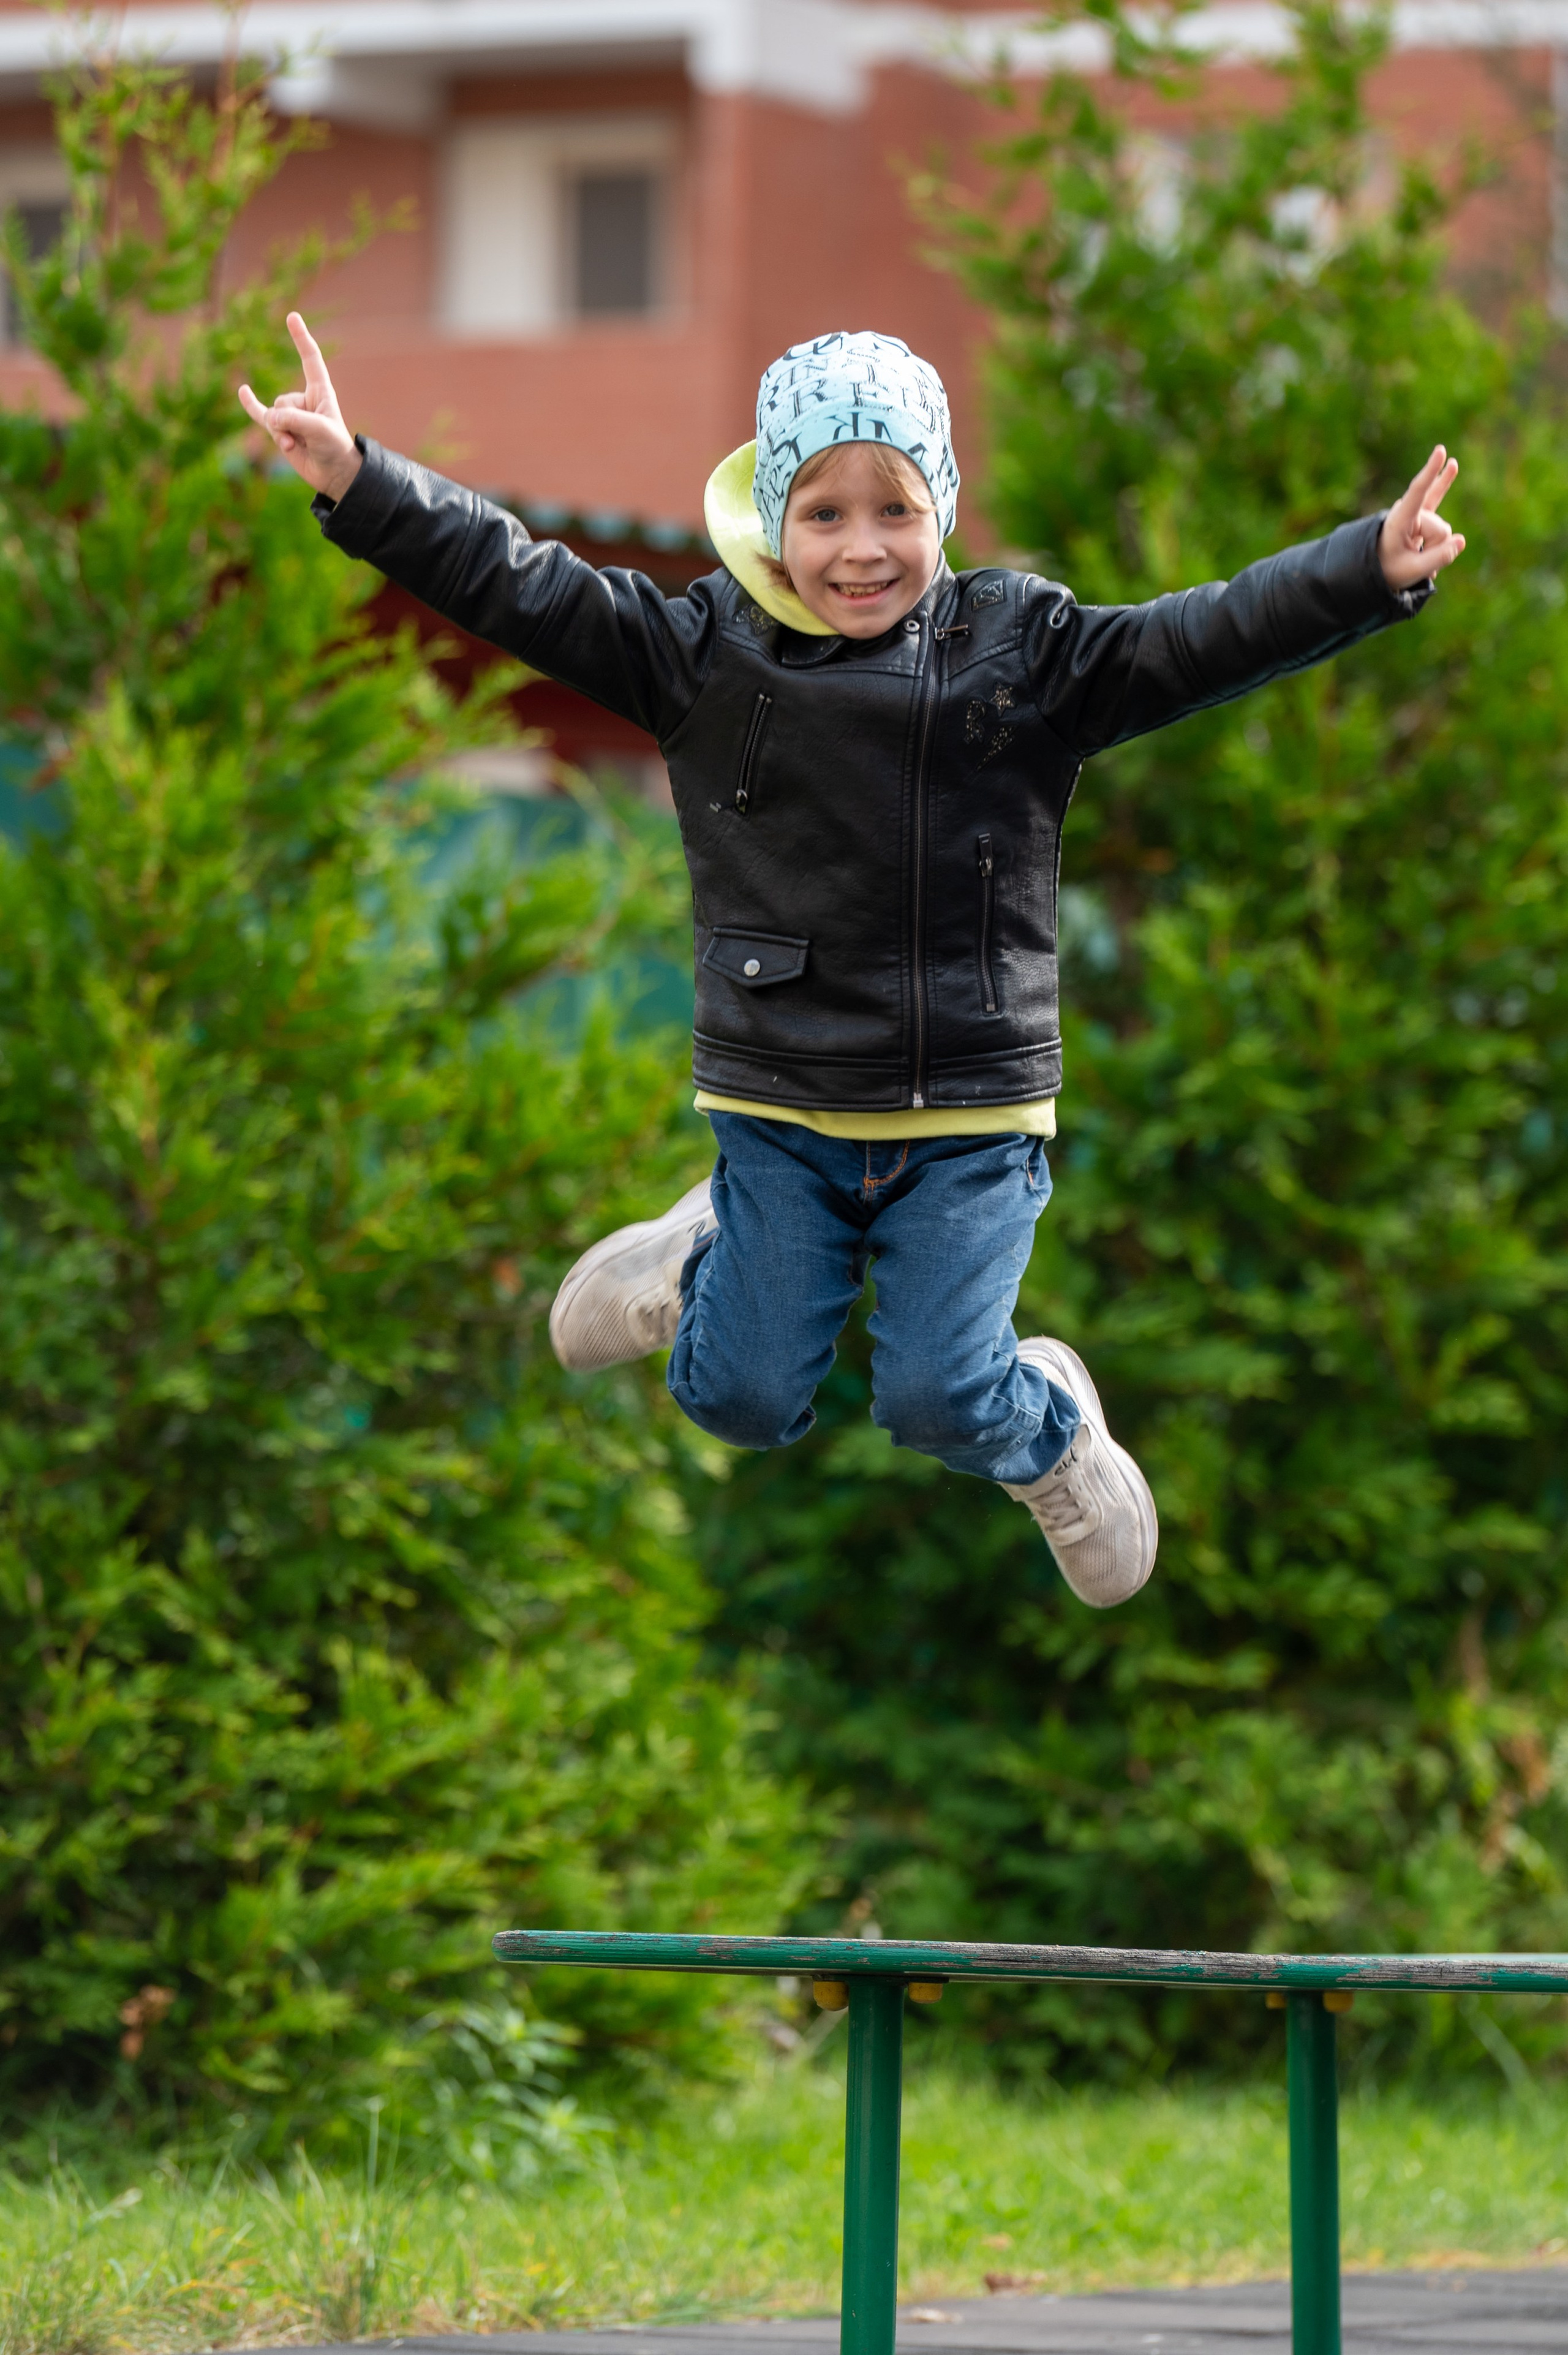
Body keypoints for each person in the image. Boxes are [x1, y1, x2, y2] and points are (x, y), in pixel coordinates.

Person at [239, 318, 1464, 1611]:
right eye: (823, 512)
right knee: (740, 1395)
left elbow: (1196, 636)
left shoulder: (1026, 657)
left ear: (942, 503)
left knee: (941, 1392)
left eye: (896, 506)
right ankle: (689, 1267)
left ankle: (1049, 1435)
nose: (862, 546)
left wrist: (1364, 570)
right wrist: (366, 485)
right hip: (783, 1106)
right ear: (773, 519)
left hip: (968, 1117)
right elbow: (524, 583)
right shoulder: (701, 655)